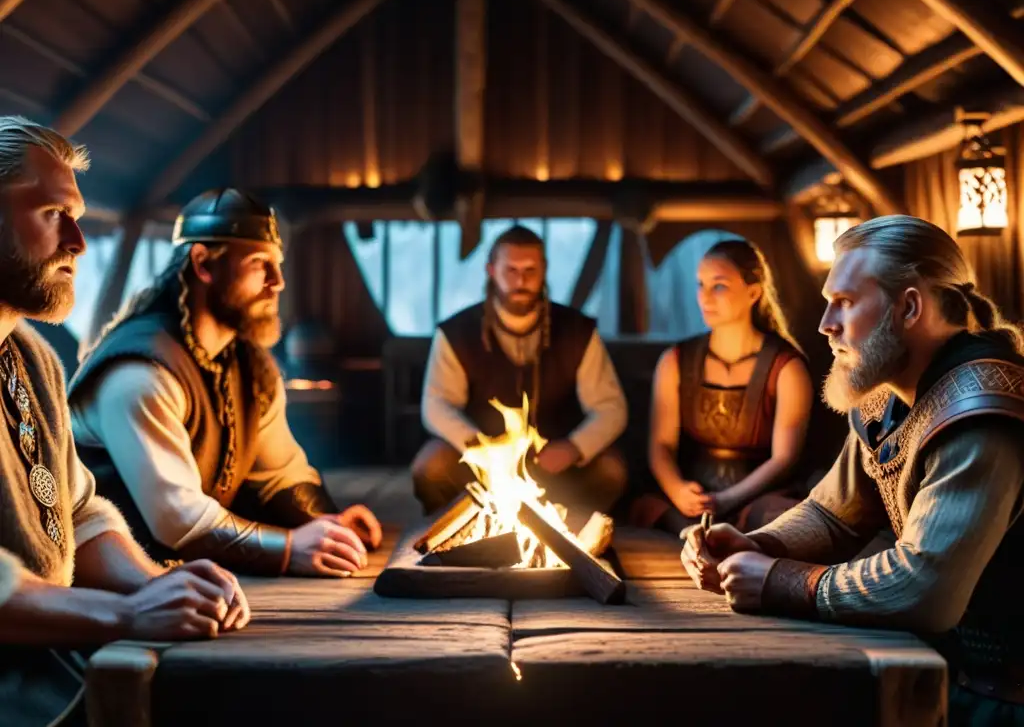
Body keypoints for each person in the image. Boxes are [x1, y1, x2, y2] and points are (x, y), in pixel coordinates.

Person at [681, 215, 1024, 724]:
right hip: (944, 672)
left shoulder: (980, 411)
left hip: (1000, 701)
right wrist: (761, 545)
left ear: (909, 307)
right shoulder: (889, 393)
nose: (825, 324)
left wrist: (778, 581)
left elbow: (926, 588)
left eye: (844, 302)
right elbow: (832, 514)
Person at [0, 116, 249, 726]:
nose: (78, 242)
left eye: (77, 216)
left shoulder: (32, 357)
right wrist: (124, 616)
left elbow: (77, 514)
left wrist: (152, 585)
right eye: (52, 214)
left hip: (46, 656)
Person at [68, 188, 382, 580]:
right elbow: (178, 520)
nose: (278, 281)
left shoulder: (249, 365)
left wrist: (327, 524)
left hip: (189, 580)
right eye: (258, 263)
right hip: (116, 592)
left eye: (277, 264)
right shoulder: (140, 373)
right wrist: (289, 549)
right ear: (203, 263)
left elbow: (281, 472)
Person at [413, 225, 628, 521]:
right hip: (481, 467)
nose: (521, 280)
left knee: (611, 470)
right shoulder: (457, 332)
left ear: (544, 270)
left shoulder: (576, 331)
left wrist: (573, 448)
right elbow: (435, 405)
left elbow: (611, 407)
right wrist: (482, 449)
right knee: (431, 466)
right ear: (491, 270)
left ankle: (575, 534)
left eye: (530, 270)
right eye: (510, 270)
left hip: (555, 462)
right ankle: (458, 530)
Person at [632, 238, 813, 536]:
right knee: (659, 514)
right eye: (699, 285)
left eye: (719, 286)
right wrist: (677, 490)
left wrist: (728, 499)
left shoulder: (786, 367)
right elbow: (661, 445)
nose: (705, 297)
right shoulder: (676, 361)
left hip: (758, 494)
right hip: (692, 492)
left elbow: (784, 457)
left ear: (753, 292)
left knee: (779, 520)